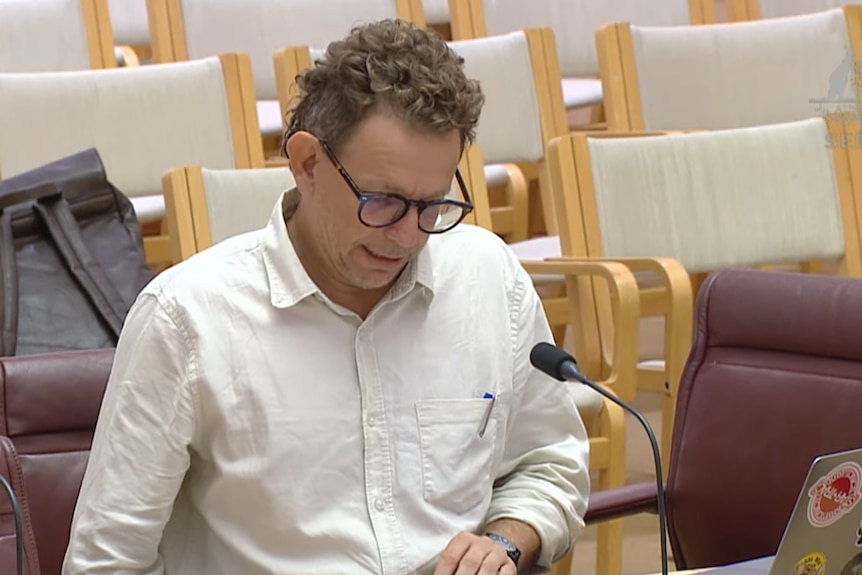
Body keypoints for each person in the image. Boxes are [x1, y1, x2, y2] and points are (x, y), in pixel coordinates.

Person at [62, 18, 590, 575]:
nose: (409, 236)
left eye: (433, 205)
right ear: (307, 163)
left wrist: (507, 542)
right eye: (384, 202)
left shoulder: (488, 279)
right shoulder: (186, 319)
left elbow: (549, 462)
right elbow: (106, 561)